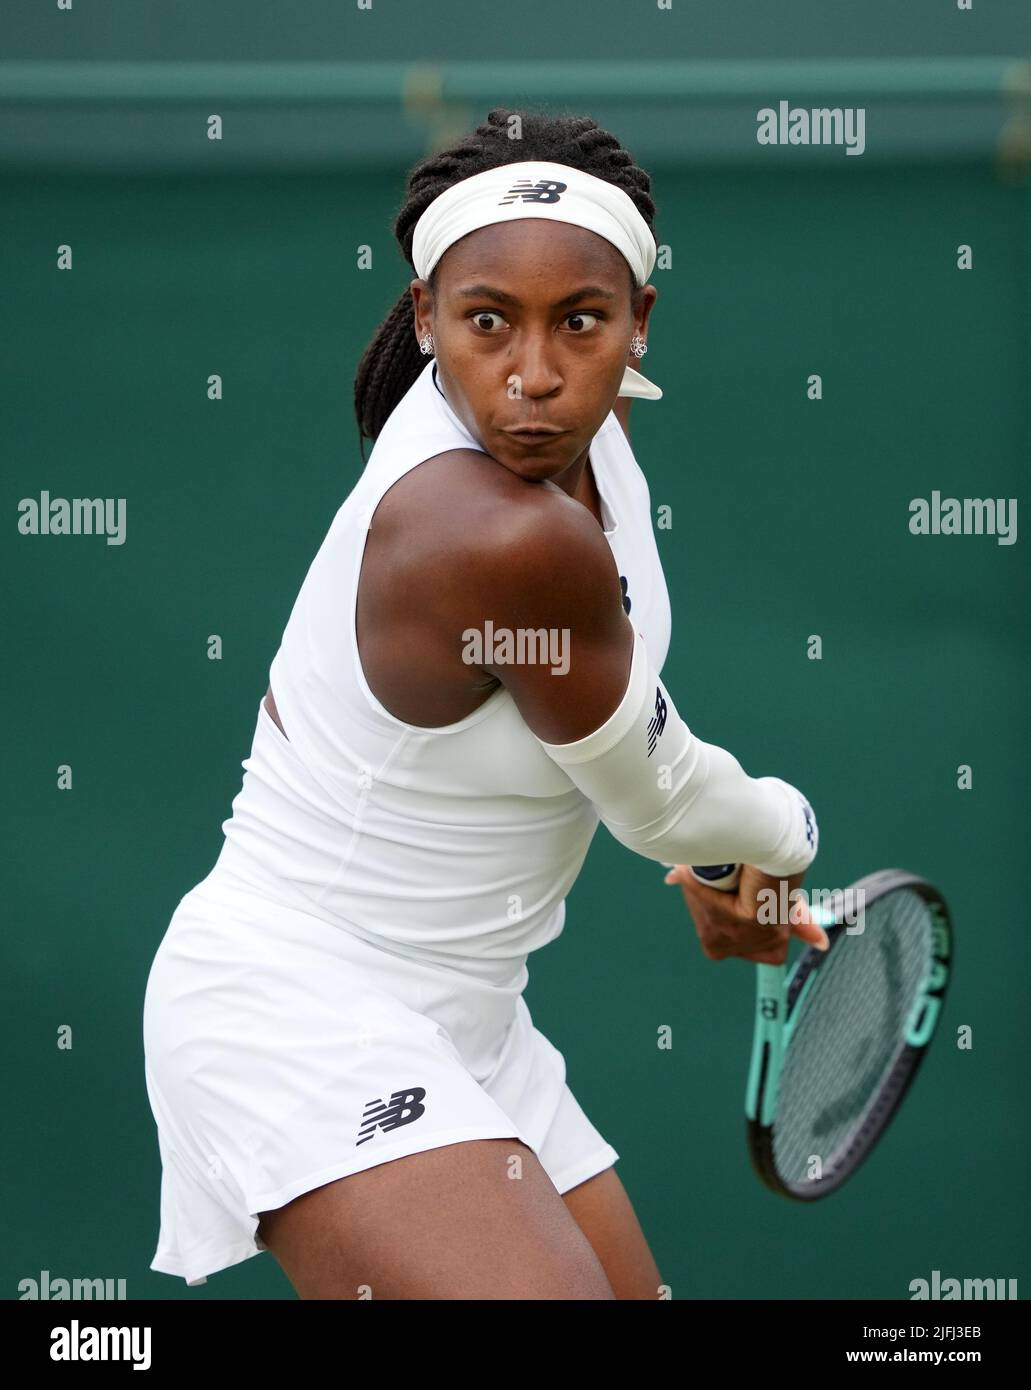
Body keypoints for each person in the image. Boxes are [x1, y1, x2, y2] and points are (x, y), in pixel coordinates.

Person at [143, 108, 824, 1301]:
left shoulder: (586, 431)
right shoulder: (491, 533)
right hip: (293, 1006)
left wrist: (727, 877)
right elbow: (655, 801)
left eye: (580, 322)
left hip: (473, 1018)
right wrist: (779, 841)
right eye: (486, 322)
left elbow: (605, 717)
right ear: (423, 319)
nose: (532, 373)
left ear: (636, 325)